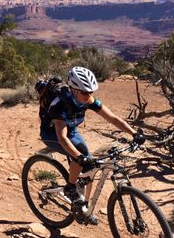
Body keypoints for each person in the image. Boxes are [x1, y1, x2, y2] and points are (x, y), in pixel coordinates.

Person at [39, 66, 144, 225]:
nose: (89, 96)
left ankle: (85, 209)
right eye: (85, 92)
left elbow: (112, 118)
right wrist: (79, 157)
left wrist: (134, 133)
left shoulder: (87, 100)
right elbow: (62, 138)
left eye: (91, 92)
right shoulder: (59, 104)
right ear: (74, 89)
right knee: (80, 155)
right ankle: (70, 187)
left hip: (70, 129)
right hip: (51, 134)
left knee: (89, 167)